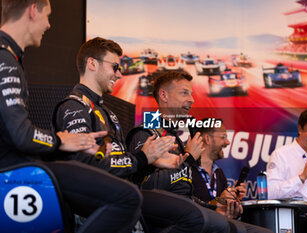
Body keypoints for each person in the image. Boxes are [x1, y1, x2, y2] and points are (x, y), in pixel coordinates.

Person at [0, 1, 144, 232]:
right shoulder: (4, 59)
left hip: (21, 166)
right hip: (15, 171)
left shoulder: (9, 57)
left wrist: (67, 144)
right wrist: (61, 141)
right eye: (47, 16)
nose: (48, 25)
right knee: (128, 198)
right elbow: (20, 136)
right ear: (32, 10)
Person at [53, 37, 208, 233]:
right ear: (92, 63)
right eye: (115, 67)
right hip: (95, 210)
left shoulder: (109, 114)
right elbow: (86, 166)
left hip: (122, 204)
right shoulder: (74, 107)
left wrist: (147, 163)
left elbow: (127, 171)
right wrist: (143, 158)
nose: (119, 74)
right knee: (195, 220)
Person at [126, 70, 273, 233]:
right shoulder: (145, 133)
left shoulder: (176, 139)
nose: (192, 99)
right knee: (222, 225)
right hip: (161, 221)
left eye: (191, 94)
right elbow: (144, 187)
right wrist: (188, 160)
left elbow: (186, 195)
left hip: (183, 214)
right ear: (164, 95)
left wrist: (216, 206)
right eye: (184, 93)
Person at [192, 119, 246, 220]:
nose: (228, 142)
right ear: (207, 139)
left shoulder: (219, 173)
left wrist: (231, 203)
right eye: (223, 137)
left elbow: (225, 215)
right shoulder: (187, 170)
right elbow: (185, 208)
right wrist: (218, 201)